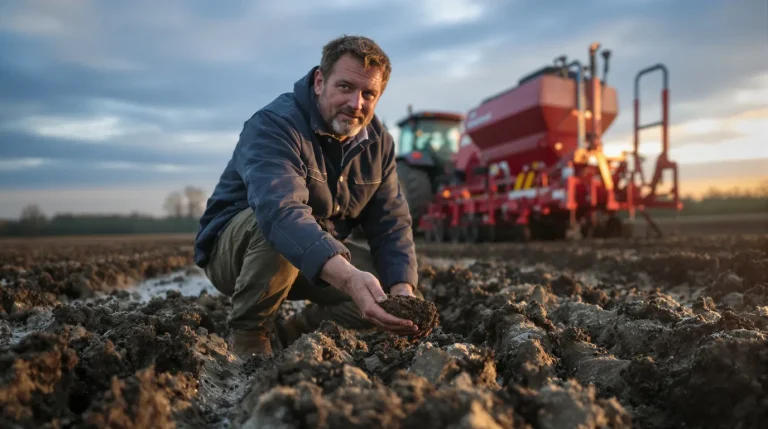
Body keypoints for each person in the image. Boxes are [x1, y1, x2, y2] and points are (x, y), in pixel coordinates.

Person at [194, 35, 426, 359]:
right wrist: (347, 279)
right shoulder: (275, 125)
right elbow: (280, 212)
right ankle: (249, 334)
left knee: (383, 287)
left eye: (368, 94)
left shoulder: (380, 145)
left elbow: (391, 223)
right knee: (276, 229)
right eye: (345, 87)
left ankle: (296, 332)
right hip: (238, 253)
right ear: (320, 81)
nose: (356, 103)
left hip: (314, 254)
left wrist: (402, 289)